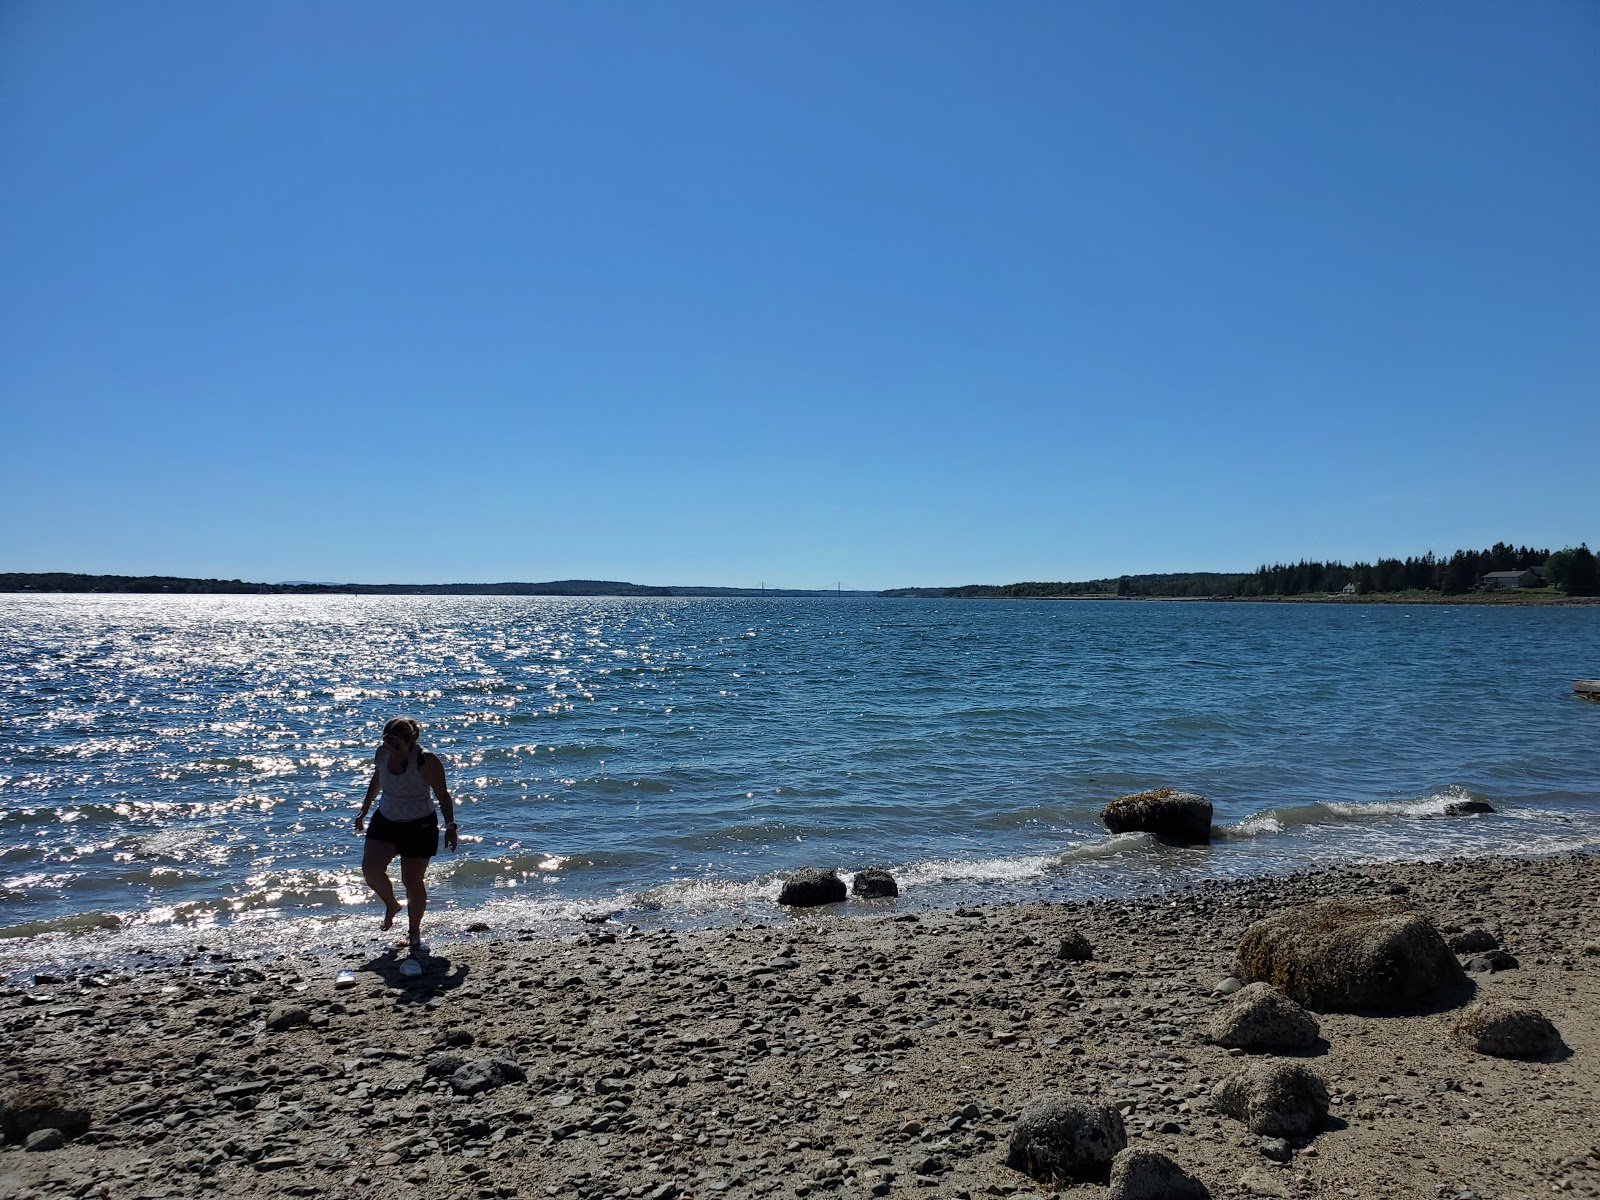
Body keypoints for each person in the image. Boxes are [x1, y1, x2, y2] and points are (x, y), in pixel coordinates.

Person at [353, 717, 458, 950]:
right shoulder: (382, 753)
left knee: (411, 881)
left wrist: (450, 827)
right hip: (386, 819)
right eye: (387, 743)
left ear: (410, 741)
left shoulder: (425, 760)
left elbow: (443, 795)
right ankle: (392, 904)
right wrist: (364, 809)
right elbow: (378, 778)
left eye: (396, 745)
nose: (391, 749)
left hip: (419, 825)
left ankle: (414, 933)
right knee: (371, 870)